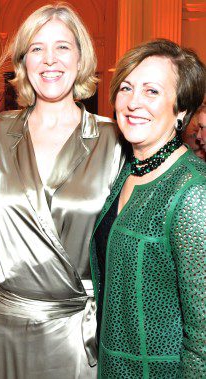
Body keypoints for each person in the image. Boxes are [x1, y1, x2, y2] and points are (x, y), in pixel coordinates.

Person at [0, 4, 124, 379]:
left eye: (62, 47)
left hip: (72, 333)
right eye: (36, 48)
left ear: (81, 57)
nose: (49, 60)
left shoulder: (114, 140)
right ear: (23, 62)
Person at [90, 39, 206, 378]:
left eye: (152, 91)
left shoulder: (192, 191)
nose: (133, 101)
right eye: (126, 87)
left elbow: (203, 341)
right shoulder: (129, 170)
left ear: (181, 109)